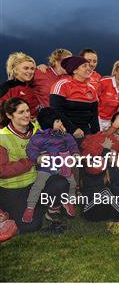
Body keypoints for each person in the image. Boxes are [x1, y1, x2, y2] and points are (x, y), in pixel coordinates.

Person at [0, 98, 69, 233]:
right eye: (21, 112)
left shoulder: (37, 129)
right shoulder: (2, 137)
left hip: (35, 184)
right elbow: (2, 170)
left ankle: (48, 210)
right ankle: (19, 211)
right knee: (30, 226)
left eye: (27, 111)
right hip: (13, 190)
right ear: (9, 115)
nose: (26, 115)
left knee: (60, 183)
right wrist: (33, 160)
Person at [23, 108, 79, 222]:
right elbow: (30, 149)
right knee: (38, 186)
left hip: (63, 166)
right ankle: (30, 208)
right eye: (57, 121)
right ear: (49, 123)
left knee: (72, 183)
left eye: (60, 120)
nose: (61, 123)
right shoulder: (38, 137)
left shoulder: (64, 135)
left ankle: (69, 202)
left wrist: (75, 154)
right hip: (46, 167)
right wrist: (38, 157)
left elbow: (72, 144)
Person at [50, 56, 99, 139]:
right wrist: (73, 130)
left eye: (89, 66)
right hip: (64, 131)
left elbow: (94, 115)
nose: (89, 69)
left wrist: (97, 136)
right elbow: (55, 110)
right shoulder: (62, 85)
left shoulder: (92, 88)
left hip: (85, 131)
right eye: (84, 66)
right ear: (75, 70)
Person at [1, 52, 38, 118]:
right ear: (15, 70)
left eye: (32, 69)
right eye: (26, 68)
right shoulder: (7, 88)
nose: (30, 72)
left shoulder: (31, 87)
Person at [97, 60, 119, 131]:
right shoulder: (104, 82)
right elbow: (93, 101)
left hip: (110, 122)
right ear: (115, 71)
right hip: (97, 119)